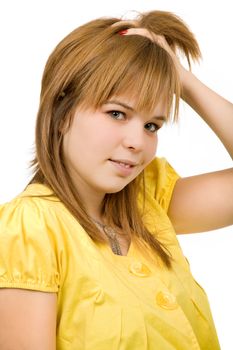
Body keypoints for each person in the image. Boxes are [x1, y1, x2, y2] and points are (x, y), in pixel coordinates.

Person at [0, 9, 232, 350]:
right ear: (61, 114)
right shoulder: (30, 228)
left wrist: (184, 83)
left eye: (152, 125)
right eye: (117, 113)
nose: (137, 142)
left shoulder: (147, 202)